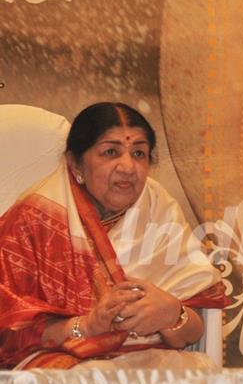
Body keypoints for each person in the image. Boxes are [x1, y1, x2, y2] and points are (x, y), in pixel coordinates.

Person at [0, 102, 228, 369]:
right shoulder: (33, 220)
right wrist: (86, 326)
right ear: (75, 163)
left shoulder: (160, 212)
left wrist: (172, 314)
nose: (128, 167)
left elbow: (194, 333)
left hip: (150, 362)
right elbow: (8, 332)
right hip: (64, 363)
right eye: (111, 152)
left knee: (199, 374)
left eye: (139, 153)